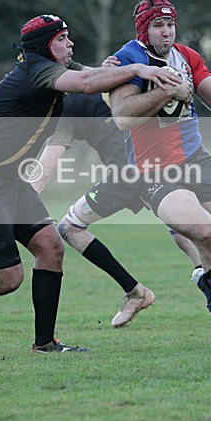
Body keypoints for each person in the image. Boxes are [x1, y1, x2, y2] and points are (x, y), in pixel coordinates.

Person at [0, 14, 180, 352]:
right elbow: (85, 84)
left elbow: (92, 76)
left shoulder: (52, 68)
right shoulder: (37, 70)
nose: (70, 44)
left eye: (69, 37)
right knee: (8, 278)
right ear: (44, 46)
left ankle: (45, 344)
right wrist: (138, 70)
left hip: (6, 181)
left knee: (51, 247)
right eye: (62, 39)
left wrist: (114, 68)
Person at [109, 0, 211, 344]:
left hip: (196, 161)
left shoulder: (187, 57)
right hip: (153, 171)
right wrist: (167, 91)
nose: (167, 32)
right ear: (143, 30)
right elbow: (121, 117)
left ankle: (209, 283)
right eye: (159, 26)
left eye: (170, 25)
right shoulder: (127, 59)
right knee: (207, 234)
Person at [32, 92, 157, 328]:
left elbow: (48, 163)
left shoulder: (66, 105)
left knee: (69, 227)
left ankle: (136, 292)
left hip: (126, 176)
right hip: (162, 163)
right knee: (188, 230)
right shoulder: (99, 81)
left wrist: (23, 201)